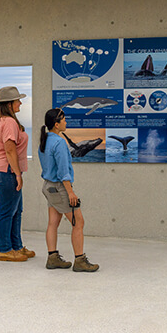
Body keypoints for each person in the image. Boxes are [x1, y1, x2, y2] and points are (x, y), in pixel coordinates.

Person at [38, 108, 99, 272]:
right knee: (79, 222)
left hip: (48, 187)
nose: (66, 122)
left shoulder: (45, 141)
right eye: (63, 120)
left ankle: (52, 258)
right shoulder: (59, 143)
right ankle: (79, 260)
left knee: (53, 222)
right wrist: (70, 192)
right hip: (60, 188)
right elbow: (63, 171)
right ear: (56, 124)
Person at [0, 86, 35, 262]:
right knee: (8, 211)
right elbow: (9, 149)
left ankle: (17, 246)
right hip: (5, 171)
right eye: (18, 100)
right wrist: (17, 174)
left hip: (2, 170)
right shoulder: (8, 122)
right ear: (9, 104)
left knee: (16, 210)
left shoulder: (2, 121)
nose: (20, 103)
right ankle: (5, 250)